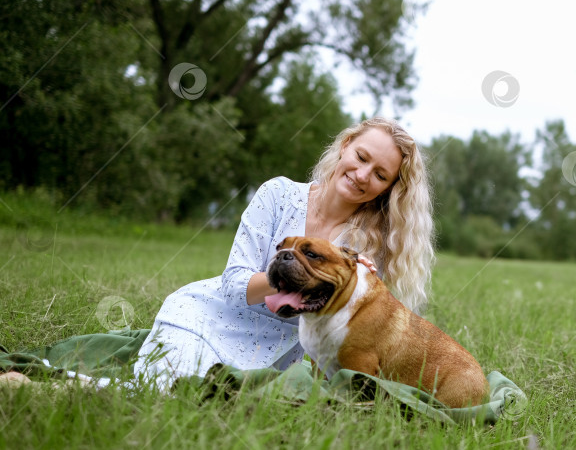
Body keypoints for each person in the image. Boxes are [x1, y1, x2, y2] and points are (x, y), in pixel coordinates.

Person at [133, 117, 435, 391]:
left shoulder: (369, 249)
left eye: (380, 175)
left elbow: (360, 334)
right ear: (345, 146)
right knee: (163, 388)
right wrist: (292, 275)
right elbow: (235, 287)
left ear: (387, 189)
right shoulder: (278, 195)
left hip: (283, 353)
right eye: (361, 157)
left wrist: (359, 291)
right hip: (209, 318)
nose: (362, 174)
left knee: (214, 399)